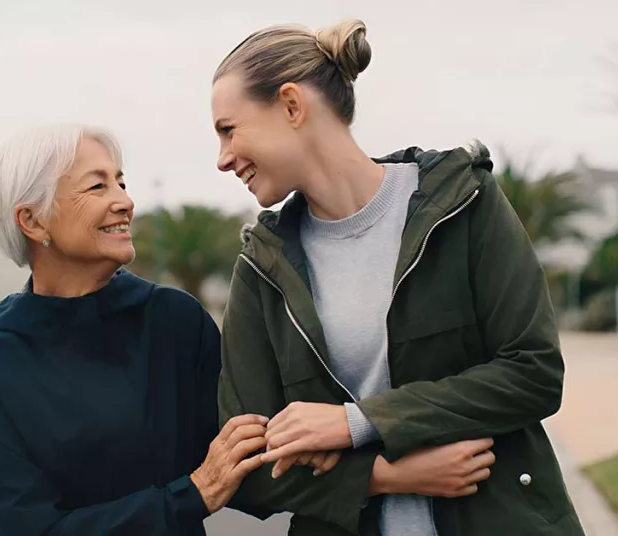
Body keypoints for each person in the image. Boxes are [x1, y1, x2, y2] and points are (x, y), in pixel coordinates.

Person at [210, 20, 585, 536]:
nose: (223, 159)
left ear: (292, 105)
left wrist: (355, 422)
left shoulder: (462, 203)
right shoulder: (260, 267)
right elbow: (247, 467)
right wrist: (382, 476)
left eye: (229, 129)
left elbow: (534, 373)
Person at [0, 124, 272, 536]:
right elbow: (32, 528)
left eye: (121, 182)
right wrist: (191, 494)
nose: (126, 202)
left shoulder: (174, 320)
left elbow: (244, 456)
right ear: (32, 220)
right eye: (97, 187)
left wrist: (365, 458)